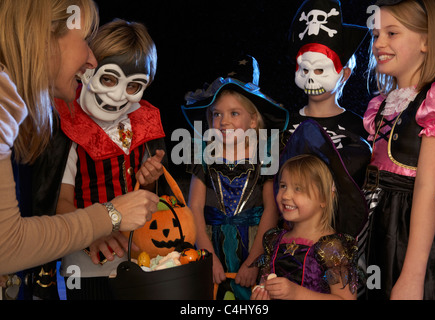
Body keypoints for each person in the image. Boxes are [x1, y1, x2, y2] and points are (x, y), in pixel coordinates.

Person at [0, 0, 159, 280]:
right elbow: (7, 245)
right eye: (85, 40)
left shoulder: (13, 110)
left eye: (133, 85)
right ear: (44, 36)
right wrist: (110, 216)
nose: (91, 59)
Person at [53, 19, 167, 300]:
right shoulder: (68, 125)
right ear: (86, 70)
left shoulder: (141, 124)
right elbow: (60, 202)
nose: (117, 95)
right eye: (109, 79)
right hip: (86, 263)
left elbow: (148, 201)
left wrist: (148, 182)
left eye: (133, 86)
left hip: (137, 258)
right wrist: (93, 232)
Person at [181, 56, 289, 300]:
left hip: (253, 246)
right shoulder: (203, 156)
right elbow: (195, 208)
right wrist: (207, 258)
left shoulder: (266, 156)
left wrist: (254, 262)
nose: (223, 121)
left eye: (234, 113)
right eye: (216, 114)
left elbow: (271, 210)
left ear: (252, 120)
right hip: (210, 245)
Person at [363, 0, 435, 300]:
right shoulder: (381, 104)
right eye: (376, 35)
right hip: (375, 227)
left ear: (426, 41)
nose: (379, 44)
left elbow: (428, 189)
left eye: (392, 33)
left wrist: (412, 276)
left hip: (409, 233)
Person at [251, 120, 367, 300]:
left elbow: (345, 299)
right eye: (283, 186)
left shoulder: (332, 248)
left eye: (298, 189)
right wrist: (262, 295)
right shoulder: (275, 240)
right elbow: (266, 283)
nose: (285, 195)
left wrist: (296, 293)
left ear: (323, 198)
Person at [286, 0, 371, 189]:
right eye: (305, 70)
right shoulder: (282, 123)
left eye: (319, 71)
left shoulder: (360, 128)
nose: (310, 78)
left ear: (344, 75)